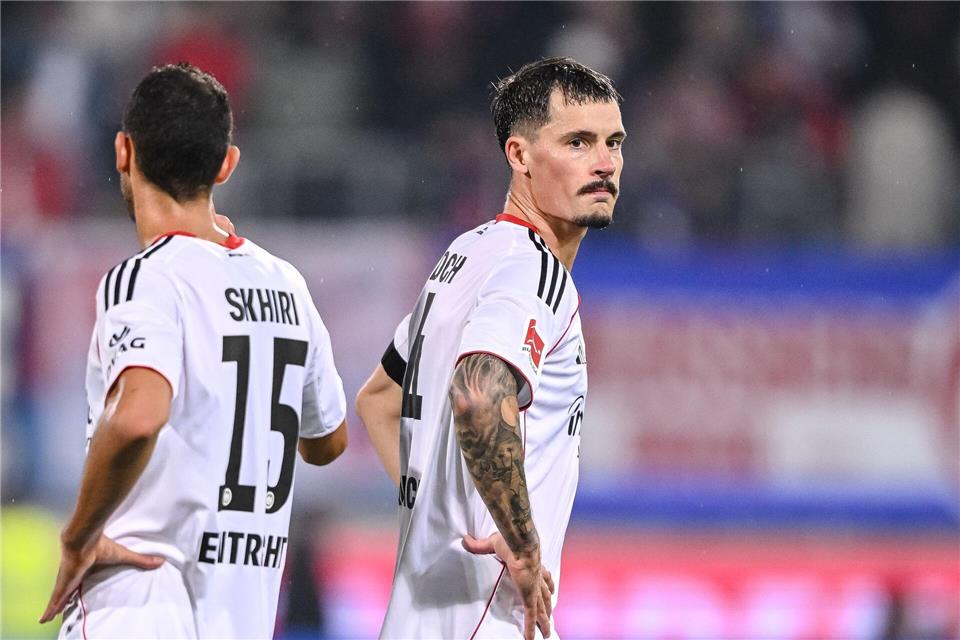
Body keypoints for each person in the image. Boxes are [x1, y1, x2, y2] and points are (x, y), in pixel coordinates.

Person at [39, 63, 348, 638]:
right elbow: (328, 441)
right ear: (227, 163)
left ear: (123, 152)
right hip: (242, 613)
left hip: (136, 606)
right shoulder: (285, 283)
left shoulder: (145, 279)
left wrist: (79, 536)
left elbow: (137, 418)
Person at [356, 57, 625, 640]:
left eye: (613, 142)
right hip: (490, 616)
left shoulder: (466, 256)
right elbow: (479, 392)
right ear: (519, 155)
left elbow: (379, 398)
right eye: (578, 142)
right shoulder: (536, 272)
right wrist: (524, 548)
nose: (605, 164)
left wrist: (438, 522)